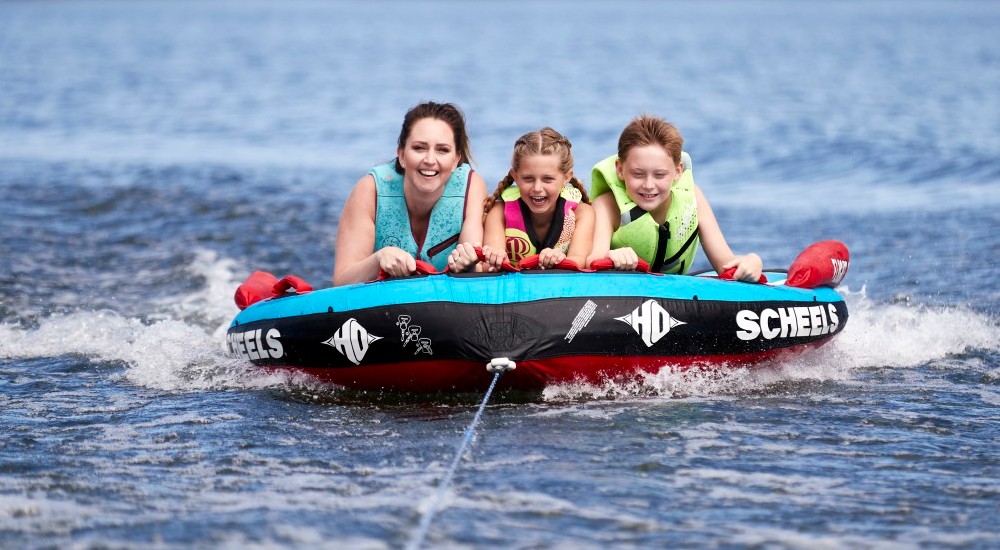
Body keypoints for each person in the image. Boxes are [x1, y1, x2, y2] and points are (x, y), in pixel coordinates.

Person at [587, 115, 763, 281]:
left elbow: (725, 264)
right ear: (620, 169)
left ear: (678, 171)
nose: (648, 184)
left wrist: (752, 262)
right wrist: (611, 257)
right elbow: (592, 260)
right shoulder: (607, 205)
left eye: (659, 175)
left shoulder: (693, 198)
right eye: (638, 174)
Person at [333, 102, 488, 286]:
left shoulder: (472, 187)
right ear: (402, 155)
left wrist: (468, 262)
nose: (430, 160)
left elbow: (476, 270)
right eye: (419, 148)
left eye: (442, 150)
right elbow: (342, 282)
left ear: (455, 160)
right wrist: (378, 260)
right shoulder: (370, 190)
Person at [480, 128, 594, 271]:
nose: (537, 188)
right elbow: (487, 264)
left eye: (547, 179)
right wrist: (495, 259)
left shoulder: (582, 214)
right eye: (528, 179)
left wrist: (559, 260)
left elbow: (579, 260)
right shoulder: (498, 213)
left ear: (566, 177)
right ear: (515, 176)